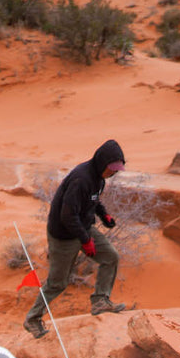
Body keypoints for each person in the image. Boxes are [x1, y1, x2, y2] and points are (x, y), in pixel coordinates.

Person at [24, 139, 129, 339]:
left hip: (83, 228)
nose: (113, 173)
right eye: (111, 168)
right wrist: (85, 239)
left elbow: (93, 200)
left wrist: (103, 214)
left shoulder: (99, 179)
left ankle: (100, 300)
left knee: (111, 257)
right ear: (102, 162)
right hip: (63, 235)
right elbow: (67, 216)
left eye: (116, 169)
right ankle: (32, 319)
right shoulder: (81, 179)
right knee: (57, 283)